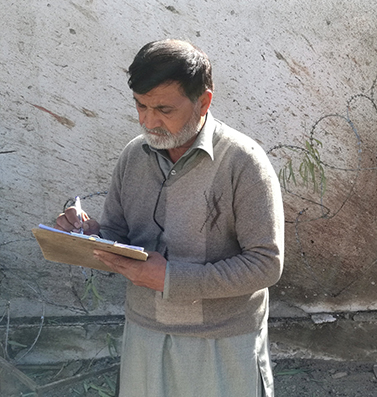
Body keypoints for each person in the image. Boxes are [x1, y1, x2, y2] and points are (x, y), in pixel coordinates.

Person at [55, 39, 284, 397]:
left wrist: (170, 278)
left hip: (222, 342)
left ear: (204, 101)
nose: (149, 121)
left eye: (163, 109)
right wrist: (88, 235)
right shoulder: (134, 155)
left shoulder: (243, 162)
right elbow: (119, 234)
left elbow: (266, 264)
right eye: (140, 106)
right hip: (146, 332)